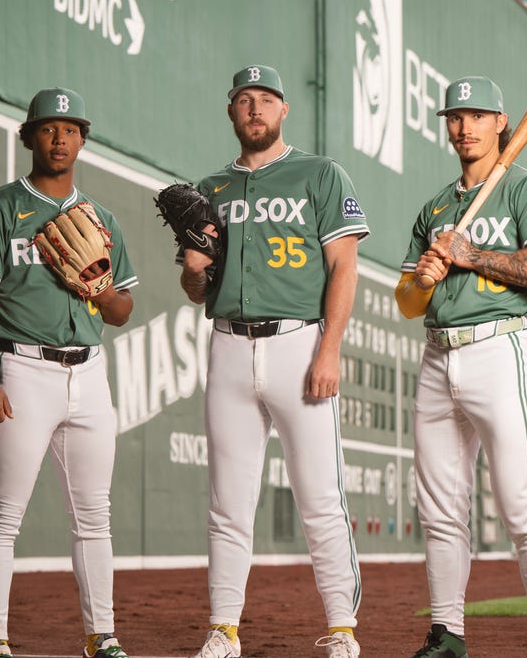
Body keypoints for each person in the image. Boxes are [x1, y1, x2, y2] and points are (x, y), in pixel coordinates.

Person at [178, 65, 369, 658]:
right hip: (229, 346)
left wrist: (329, 350)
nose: (255, 108)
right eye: (244, 99)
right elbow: (198, 290)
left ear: (284, 109)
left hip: (299, 344)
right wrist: (192, 270)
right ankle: (224, 628)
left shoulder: (320, 173)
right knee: (228, 503)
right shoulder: (209, 189)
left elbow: (344, 267)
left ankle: (342, 629)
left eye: (266, 99)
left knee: (320, 498)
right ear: (231, 111)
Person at [393, 75, 527, 658]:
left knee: (521, 502)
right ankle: (447, 633)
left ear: (500, 123)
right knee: (440, 510)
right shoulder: (436, 207)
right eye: (454, 116)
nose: (463, 126)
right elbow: (407, 303)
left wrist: (473, 256)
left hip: (499, 349)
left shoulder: (525, 188)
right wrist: (423, 280)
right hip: (436, 355)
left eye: (476, 115)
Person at [0, 87, 138, 658]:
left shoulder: (103, 220)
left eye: (70, 129)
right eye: (48, 128)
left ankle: (102, 636)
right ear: (29, 136)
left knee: (94, 516)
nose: (60, 138)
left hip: (90, 373)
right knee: (4, 515)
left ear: (83, 140)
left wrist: (98, 286)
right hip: (23, 369)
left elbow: (121, 311)